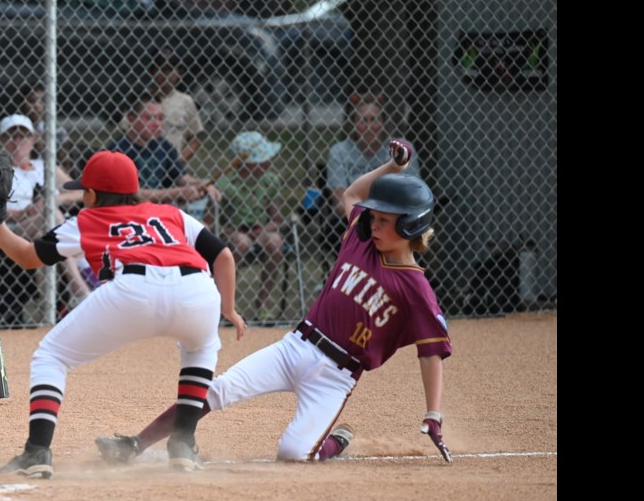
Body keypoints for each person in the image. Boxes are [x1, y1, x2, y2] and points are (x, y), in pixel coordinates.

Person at [95, 139, 454, 466]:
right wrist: (392, 168)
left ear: (410, 226)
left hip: (335, 377)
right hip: (295, 347)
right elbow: (353, 194)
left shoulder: (416, 287)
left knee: (294, 453)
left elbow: (431, 351)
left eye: (385, 221)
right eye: (374, 218)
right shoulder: (360, 239)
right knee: (216, 389)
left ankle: (336, 440)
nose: (373, 225)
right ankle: (135, 444)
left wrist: (433, 412)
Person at [0, 150, 246, 478]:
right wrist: (227, 308)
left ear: (93, 195)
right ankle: (183, 444)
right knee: (201, 349)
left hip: (134, 291)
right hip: (198, 290)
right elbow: (223, 255)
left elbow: (28, 256)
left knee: (51, 356)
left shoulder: (88, 219)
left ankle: (37, 453)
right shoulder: (170, 214)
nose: (82, 197)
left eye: (84, 191)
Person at [0, 113, 90, 327]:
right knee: (50, 215)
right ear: (3, 141)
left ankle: (47, 315)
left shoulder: (44, 166)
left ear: (34, 139)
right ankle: (79, 288)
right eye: (11, 137)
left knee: (45, 231)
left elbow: (81, 192)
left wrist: (51, 200)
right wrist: (28, 211)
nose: (18, 142)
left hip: (44, 228)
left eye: (23, 136)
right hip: (15, 229)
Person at [317, 93, 422, 255]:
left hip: (394, 217)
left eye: (374, 120)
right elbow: (340, 202)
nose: (368, 126)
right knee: (338, 230)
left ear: (383, 123)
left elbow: (414, 194)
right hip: (354, 219)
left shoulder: (402, 149)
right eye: (362, 121)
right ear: (353, 125)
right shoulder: (339, 152)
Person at [214, 131, 286, 322]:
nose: (268, 162)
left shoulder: (270, 180)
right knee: (242, 243)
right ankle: (228, 302)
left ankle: (264, 300)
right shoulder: (226, 183)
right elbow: (213, 220)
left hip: (260, 229)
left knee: (275, 242)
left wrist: (267, 228)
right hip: (233, 231)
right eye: (262, 160)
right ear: (248, 165)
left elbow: (276, 217)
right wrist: (230, 230)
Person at [107, 91, 219, 207]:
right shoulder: (117, 151)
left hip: (157, 213)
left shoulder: (164, 146)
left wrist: (204, 184)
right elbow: (130, 194)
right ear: (131, 119)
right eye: (149, 118)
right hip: (128, 213)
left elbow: (183, 179)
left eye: (160, 118)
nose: (157, 124)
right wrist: (176, 193)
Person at [146, 50, 204, 164]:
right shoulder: (142, 99)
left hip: (172, 166)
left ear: (179, 73)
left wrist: (179, 162)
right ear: (152, 72)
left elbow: (194, 140)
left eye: (170, 70)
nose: (166, 75)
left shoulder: (185, 102)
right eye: (161, 70)